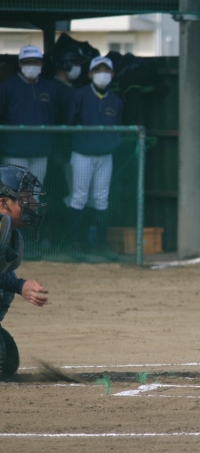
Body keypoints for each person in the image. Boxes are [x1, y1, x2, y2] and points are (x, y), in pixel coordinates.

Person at [65, 56, 122, 256]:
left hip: (105, 155)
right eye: (98, 70)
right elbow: (68, 123)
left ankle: (100, 244)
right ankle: (75, 244)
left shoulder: (115, 100)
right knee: (79, 197)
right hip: (82, 154)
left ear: (112, 75)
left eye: (106, 70)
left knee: (101, 198)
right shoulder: (79, 95)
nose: (102, 74)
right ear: (90, 74)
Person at [0, 165, 49, 376]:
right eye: (25, 197)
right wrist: (20, 286)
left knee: (7, 361)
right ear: (3, 203)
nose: (33, 203)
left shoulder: (10, 233)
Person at [0, 45, 57, 193]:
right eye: (27, 62)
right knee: (15, 195)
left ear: (42, 64)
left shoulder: (49, 87)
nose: (31, 65)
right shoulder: (7, 86)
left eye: (35, 62)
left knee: (34, 195)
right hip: (14, 151)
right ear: (19, 64)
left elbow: (53, 116)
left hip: (41, 151)